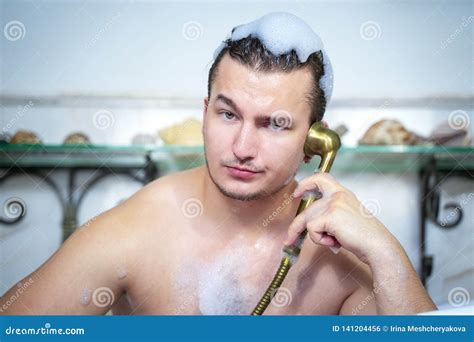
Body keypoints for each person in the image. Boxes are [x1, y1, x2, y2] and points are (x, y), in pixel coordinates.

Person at [0, 13, 436, 316]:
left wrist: (387, 252)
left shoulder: (338, 259)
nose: (242, 146)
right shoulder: (139, 227)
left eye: (275, 124)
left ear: (314, 140)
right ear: (205, 112)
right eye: (228, 115)